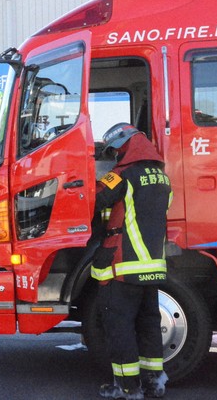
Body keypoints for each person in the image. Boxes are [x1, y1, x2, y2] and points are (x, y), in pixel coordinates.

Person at [91, 123, 172, 400]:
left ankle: (127, 388)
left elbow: (96, 198)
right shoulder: (162, 177)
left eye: (115, 150)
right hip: (152, 266)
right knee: (149, 323)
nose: (114, 155)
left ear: (124, 146)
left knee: (120, 326)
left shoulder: (122, 175)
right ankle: (154, 382)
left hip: (123, 267)